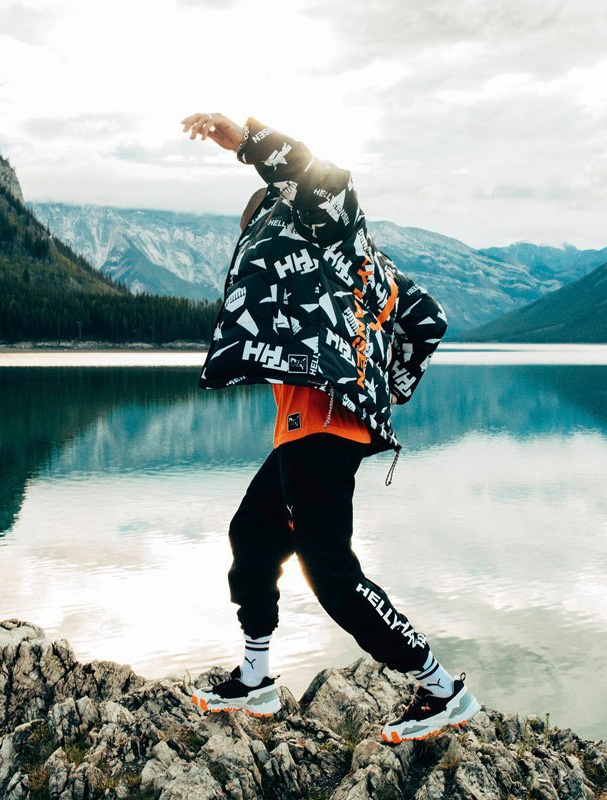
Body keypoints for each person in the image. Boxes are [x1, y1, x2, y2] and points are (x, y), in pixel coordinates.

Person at [181, 112, 478, 743]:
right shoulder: (368, 267)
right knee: (252, 534)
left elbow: (322, 181)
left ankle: (439, 688)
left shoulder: (330, 229)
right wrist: (382, 389)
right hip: (310, 428)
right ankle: (256, 680)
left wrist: (247, 143)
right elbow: (430, 320)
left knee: (330, 572)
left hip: (319, 427)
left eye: (257, 236)